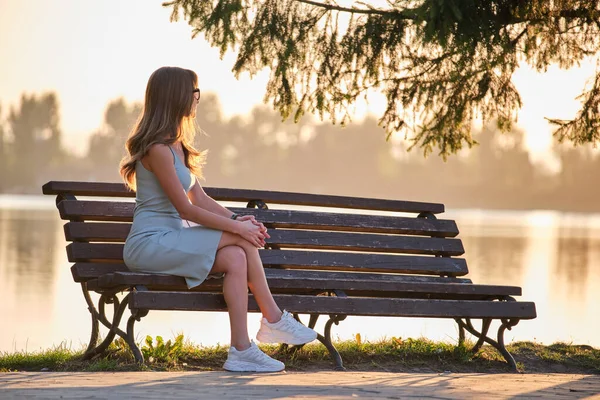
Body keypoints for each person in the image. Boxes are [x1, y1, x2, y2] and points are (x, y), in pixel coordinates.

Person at [119, 66, 317, 372]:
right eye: (193, 91)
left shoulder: (177, 148)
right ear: (176, 97)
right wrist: (239, 228)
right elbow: (186, 210)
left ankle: (241, 350)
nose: (198, 98)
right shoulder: (156, 150)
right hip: (150, 244)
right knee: (239, 239)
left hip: (172, 240)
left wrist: (240, 219)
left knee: (237, 257)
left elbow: (201, 199)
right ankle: (273, 318)